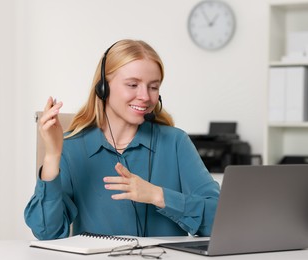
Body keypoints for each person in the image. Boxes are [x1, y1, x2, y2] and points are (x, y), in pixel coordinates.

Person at [24, 39, 220, 240]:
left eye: (153, 87)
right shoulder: (72, 147)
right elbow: (47, 232)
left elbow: (220, 220)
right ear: (103, 88)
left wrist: (157, 195)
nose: (145, 96)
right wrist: (52, 156)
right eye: (133, 85)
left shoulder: (175, 142)